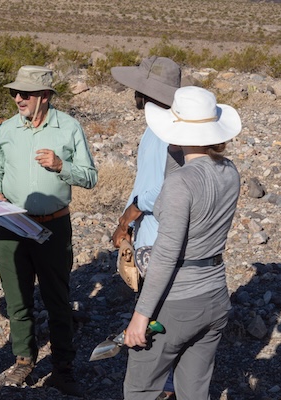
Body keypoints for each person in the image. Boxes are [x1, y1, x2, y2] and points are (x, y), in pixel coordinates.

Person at [123, 86, 242, 399]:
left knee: (140, 388)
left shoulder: (180, 183)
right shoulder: (230, 171)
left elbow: (166, 254)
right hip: (215, 294)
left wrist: (141, 315)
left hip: (178, 301)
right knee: (194, 390)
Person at [0, 65, 98, 396]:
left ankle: (63, 368)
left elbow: (90, 177)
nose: (18, 98)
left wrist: (62, 166)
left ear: (45, 97)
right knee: (17, 298)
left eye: (25, 93)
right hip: (11, 225)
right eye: (14, 93)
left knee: (57, 300)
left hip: (53, 227)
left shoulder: (69, 128)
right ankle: (23, 360)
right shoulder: (6, 129)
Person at [110, 56, 183, 400]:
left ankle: (159, 388)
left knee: (153, 318)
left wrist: (129, 216)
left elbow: (163, 189)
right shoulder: (160, 128)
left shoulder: (168, 133)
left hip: (159, 240)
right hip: (153, 236)